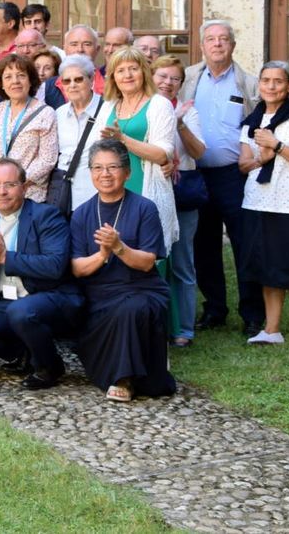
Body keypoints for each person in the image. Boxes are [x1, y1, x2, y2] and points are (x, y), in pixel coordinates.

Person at [0, 159, 84, 389]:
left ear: (24, 187)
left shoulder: (46, 216)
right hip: (7, 300)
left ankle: (49, 366)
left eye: (10, 184)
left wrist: (6, 258)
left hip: (51, 296)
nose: (2, 192)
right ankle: (22, 353)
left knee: (21, 311)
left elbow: (55, 266)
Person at [70, 139, 177, 401]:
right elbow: (77, 268)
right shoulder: (81, 214)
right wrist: (102, 255)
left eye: (112, 167)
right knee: (100, 310)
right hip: (100, 290)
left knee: (130, 309)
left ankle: (123, 378)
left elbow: (148, 262)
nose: (105, 174)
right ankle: (118, 371)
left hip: (142, 287)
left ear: (127, 172)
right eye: (97, 168)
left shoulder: (144, 208)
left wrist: (119, 247)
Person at [181, 19, 263, 335]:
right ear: (202, 45)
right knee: (204, 245)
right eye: (211, 39)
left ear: (233, 45)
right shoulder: (189, 78)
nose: (217, 44)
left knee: (245, 243)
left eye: (223, 39)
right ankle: (214, 309)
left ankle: (252, 313)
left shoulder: (249, 83)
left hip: (234, 177)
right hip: (198, 175)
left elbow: (259, 124)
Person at [237, 62, 289, 350]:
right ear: (259, 85)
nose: (271, 86)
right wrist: (262, 157)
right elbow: (243, 164)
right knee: (266, 267)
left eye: (278, 81)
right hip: (257, 201)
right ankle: (272, 329)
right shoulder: (252, 120)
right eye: (266, 80)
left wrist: (278, 145)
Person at [99, 48, 179, 267]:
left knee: (149, 259)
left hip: (146, 189)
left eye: (133, 69)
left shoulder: (158, 104)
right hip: (114, 191)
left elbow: (163, 153)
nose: (127, 75)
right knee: (117, 256)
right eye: (121, 70)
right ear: (113, 77)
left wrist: (123, 139)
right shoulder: (108, 106)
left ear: (143, 72)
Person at [152, 55, 205, 347]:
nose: (167, 83)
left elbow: (198, 153)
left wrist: (181, 123)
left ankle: (184, 328)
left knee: (182, 262)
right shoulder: (145, 108)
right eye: (162, 76)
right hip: (153, 187)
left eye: (174, 78)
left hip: (182, 190)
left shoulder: (188, 111)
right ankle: (158, 323)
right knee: (156, 259)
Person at [0, 54, 58, 205]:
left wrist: (16, 184)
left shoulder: (46, 113)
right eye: (8, 77)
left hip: (27, 194)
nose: (15, 82)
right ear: (1, 83)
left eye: (21, 76)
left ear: (31, 80)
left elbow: (47, 159)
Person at [54, 55, 107, 219]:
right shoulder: (58, 114)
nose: (72, 85)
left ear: (91, 80)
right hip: (63, 196)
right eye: (67, 81)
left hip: (97, 195)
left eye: (78, 79)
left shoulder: (108, 109)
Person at [61, 25, 107, 95]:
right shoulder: (50, 87)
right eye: (74, 44)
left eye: (87, 44)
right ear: (64, 48)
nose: (80, 49)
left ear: (97, 49)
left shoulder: (110, 84)